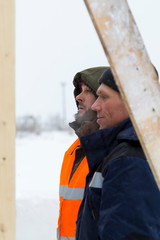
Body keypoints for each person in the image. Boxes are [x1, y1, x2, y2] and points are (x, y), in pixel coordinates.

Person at [76, 67, 160, 240]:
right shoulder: (119, 151)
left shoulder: (130, 160)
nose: (95, 105)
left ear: (132, 100)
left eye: (104, 97)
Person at [57, 66, 108, 240]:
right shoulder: (73, 152)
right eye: (79, 90)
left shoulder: (112, 149)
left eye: (87, 90)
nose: (78, 96)